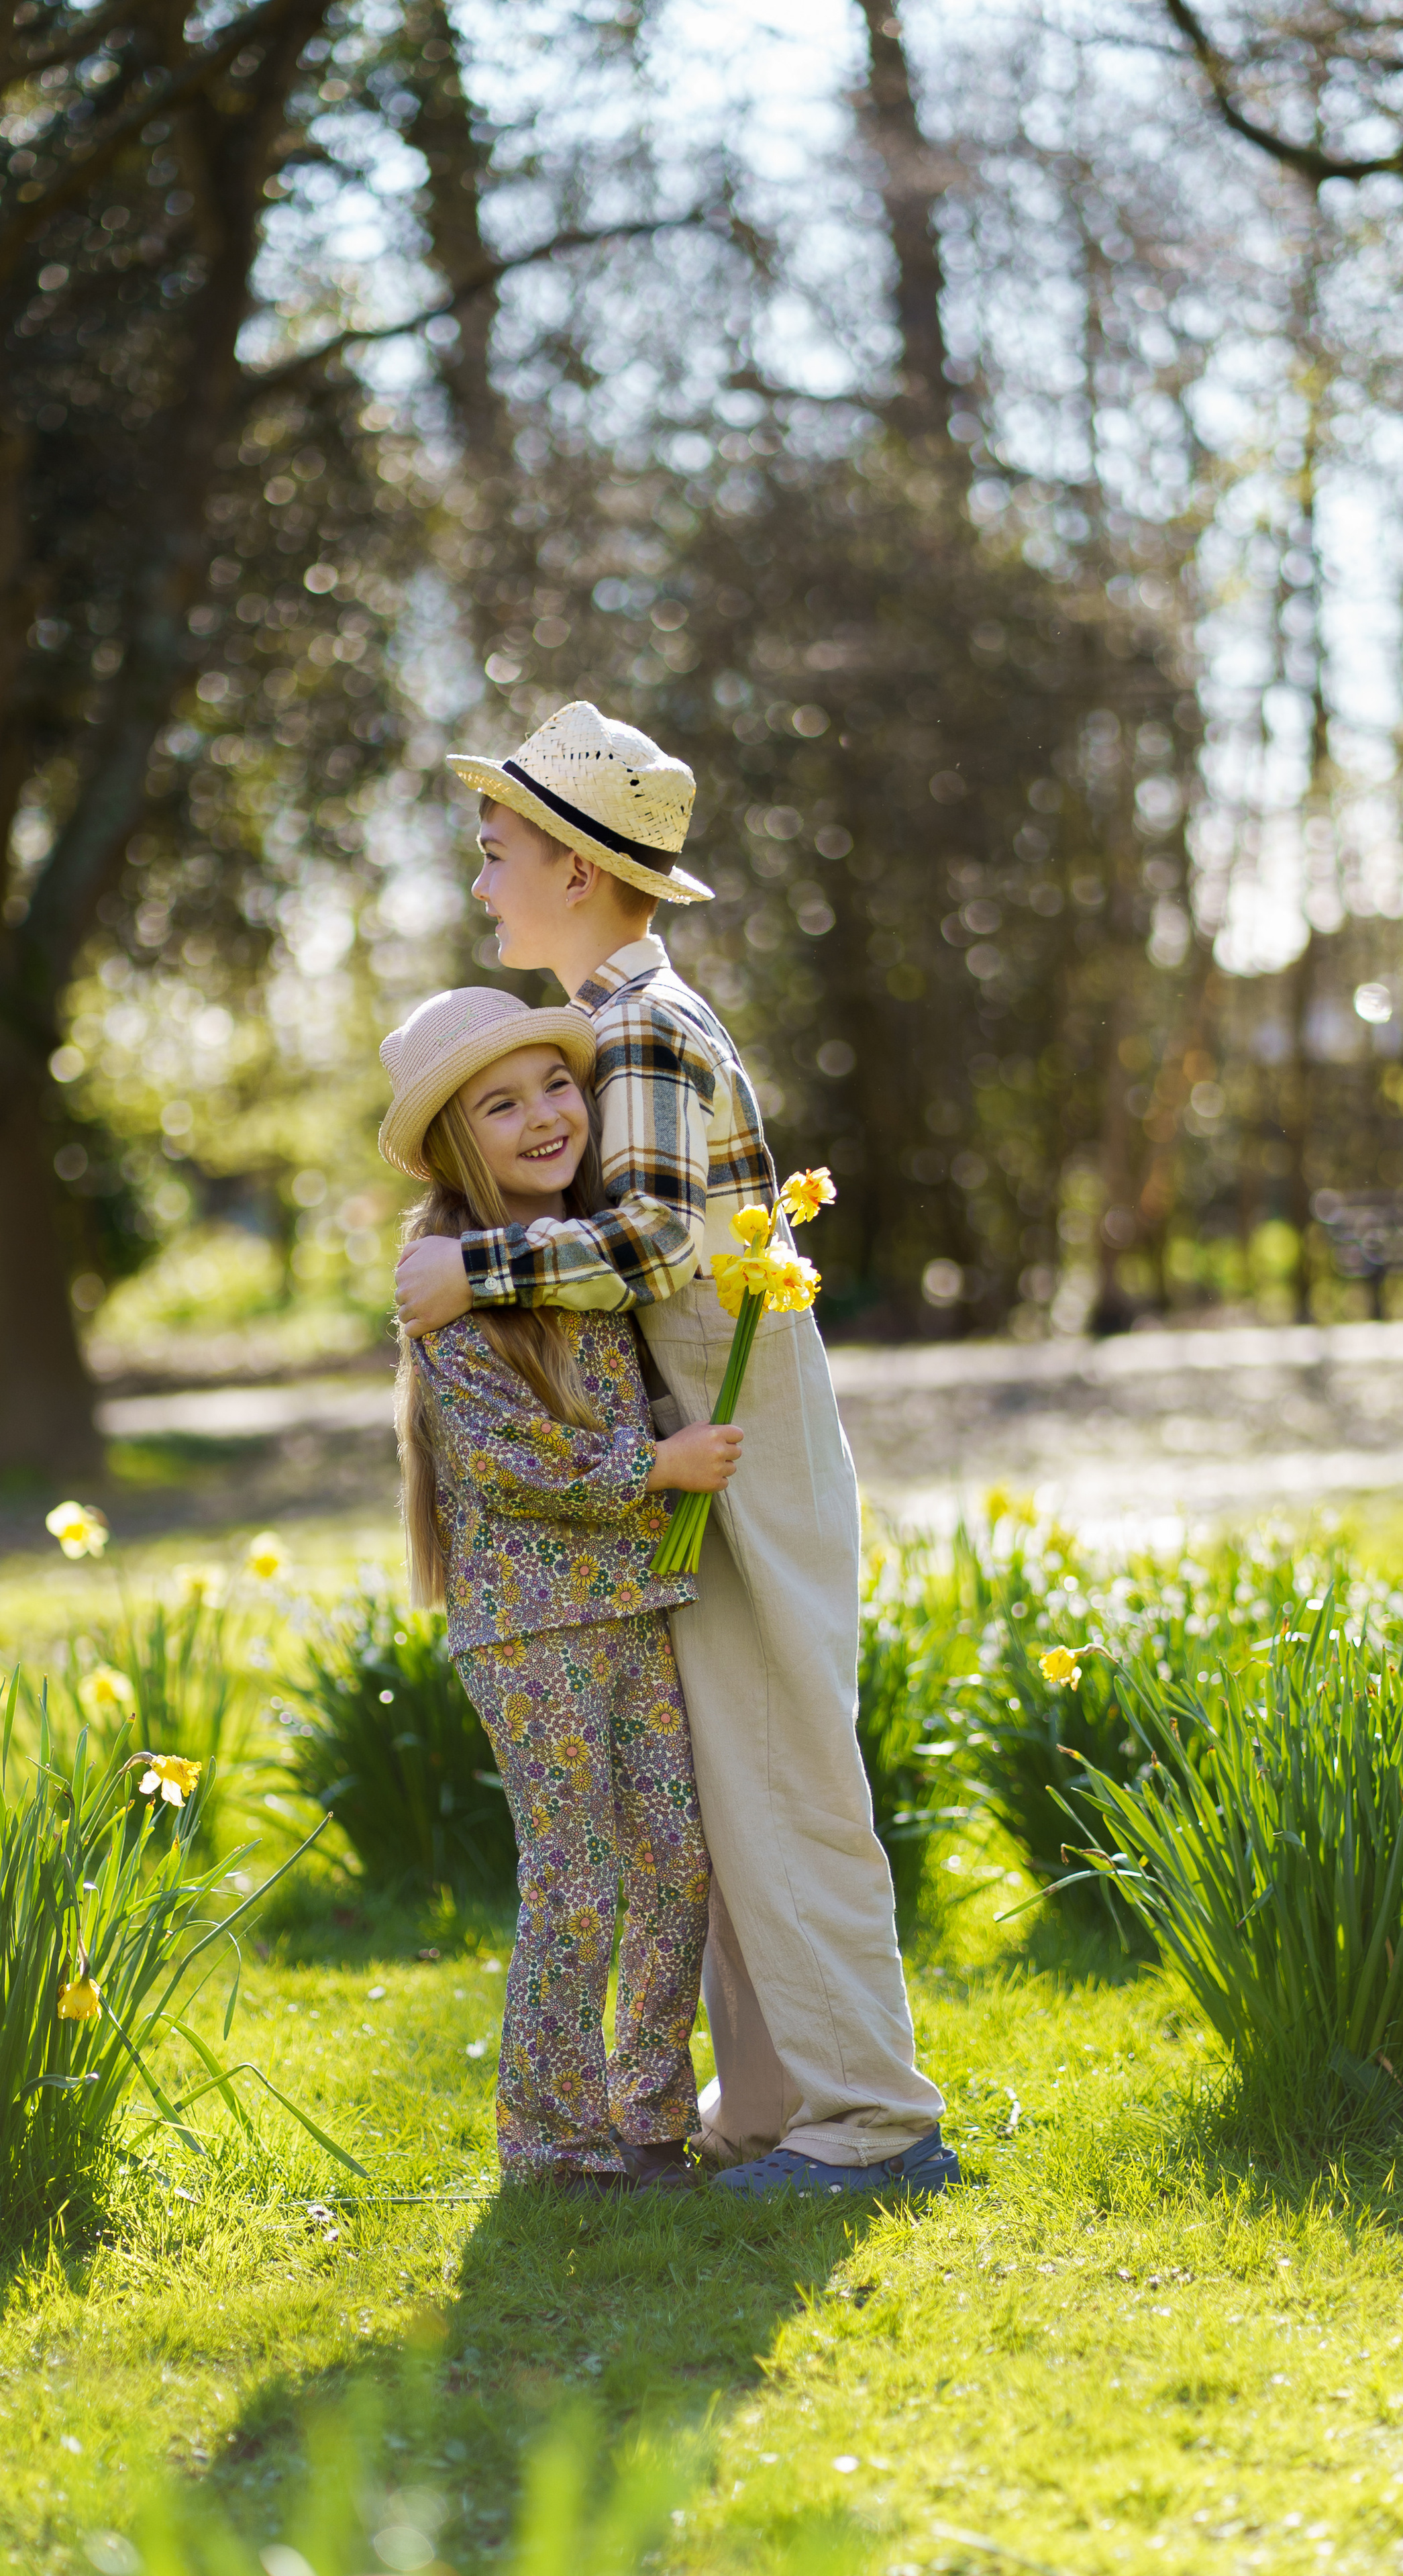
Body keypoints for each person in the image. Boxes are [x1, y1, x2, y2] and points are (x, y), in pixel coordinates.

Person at [395, 697, 957, 2199]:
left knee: (778, 1770)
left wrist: (473, 1276)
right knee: (732, 1771)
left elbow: (645, 1238)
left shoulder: (643, 1021)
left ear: (575, 868)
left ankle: (874, 2116)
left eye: (497, 849)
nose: (482, 879)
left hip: (734, 1426)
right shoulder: (631, 1017)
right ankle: (770, 2102)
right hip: (705, 1418)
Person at [380, 981, 743, 2195]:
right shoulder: (446, 1280)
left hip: (631, 1602)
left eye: (556, 1086)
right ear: (451, 1143)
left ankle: (650, 2115)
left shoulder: (581, 1251)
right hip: (527, 1623)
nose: (545, 1116)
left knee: (677, 1859)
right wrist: (661, 1463)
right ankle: (552, 2140)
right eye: (502, 1103)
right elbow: (506, 1458)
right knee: (577, 1877)